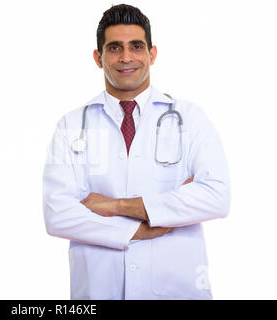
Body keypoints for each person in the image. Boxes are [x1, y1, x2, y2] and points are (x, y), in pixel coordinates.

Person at [42, 4, 230, 300]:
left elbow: (216, 197)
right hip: (98, 292)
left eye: (136, 47)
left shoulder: (190, 118)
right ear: (98, 57)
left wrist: (117, 206)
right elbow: (58, 215)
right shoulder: (71, 125)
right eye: (114, 48)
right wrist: (142, 229)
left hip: (177, 290)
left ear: (152, 54)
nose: (126, 57)